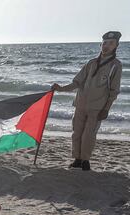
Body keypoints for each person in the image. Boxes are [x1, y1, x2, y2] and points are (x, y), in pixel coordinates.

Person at [52, 31, 123, 172]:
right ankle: (77, 159)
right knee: (76, 133)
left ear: (116, 46)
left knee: (88, 136)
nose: (106, 46)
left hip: (97, 108)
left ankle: (85, 160)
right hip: (80, 105)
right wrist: (60, 89)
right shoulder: (91, 63)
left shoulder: (116, 65)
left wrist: (106, 109)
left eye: (110, 43)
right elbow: (77, 82)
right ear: (100, 44)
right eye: (104, 43)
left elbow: (114, 91)